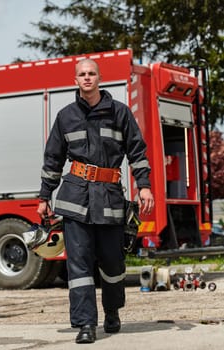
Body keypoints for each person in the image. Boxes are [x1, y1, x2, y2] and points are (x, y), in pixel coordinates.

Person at [37, 58, 154, 344]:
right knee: (78, 266)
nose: (87, 78)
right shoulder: (66, 116)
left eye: (91, 73)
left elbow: (137, 152)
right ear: (75, 79)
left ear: (99, 78)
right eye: (82, 74)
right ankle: (85, 324)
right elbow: (53, 158)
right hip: (75, 199)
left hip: (110, 199)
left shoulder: (120, 113)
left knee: (113, 264)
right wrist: (44, 195)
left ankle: (112, 311)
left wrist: (145, 186)